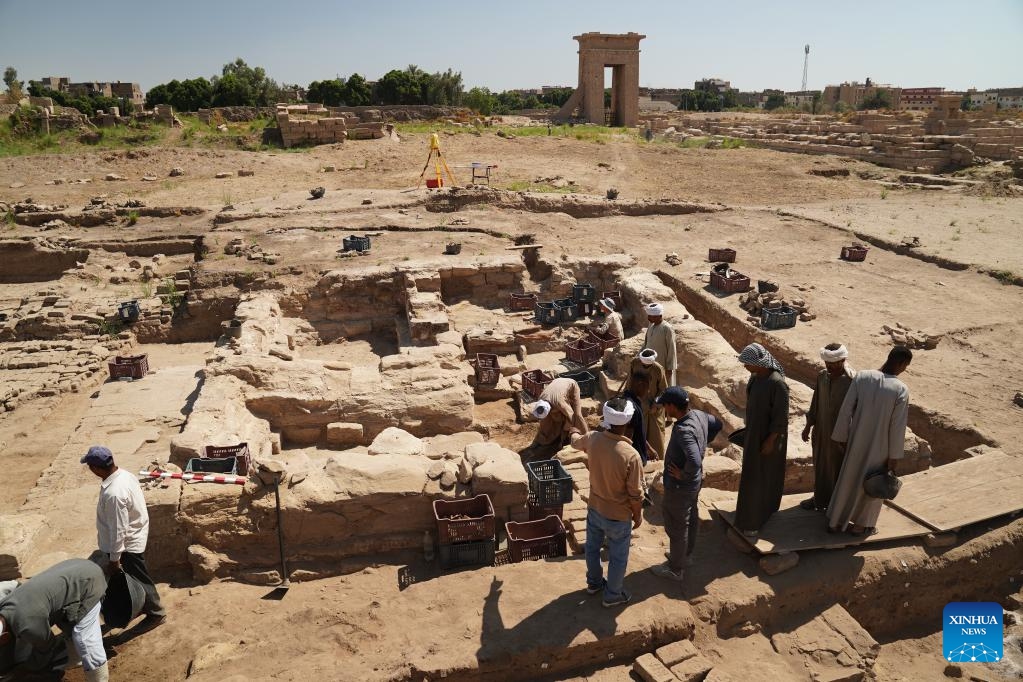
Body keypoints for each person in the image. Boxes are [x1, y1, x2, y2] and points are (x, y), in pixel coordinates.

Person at [827, 346, 912, 537]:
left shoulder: (862, 377)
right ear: (901, 363)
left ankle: (835, 522)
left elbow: (846, 409)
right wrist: (894, 456)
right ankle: (860, 526)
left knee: (848, 479)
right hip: (880, 448)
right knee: (874, 485)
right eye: (905, 366)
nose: (904, 370)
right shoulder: (901, 389)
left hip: (855, 441)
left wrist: (841, 437)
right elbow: (897, 426)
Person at [569, 398, 644, 608]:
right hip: (619, 516)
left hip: (595, 508)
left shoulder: (593, 438)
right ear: (627, 422)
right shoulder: (631, 455)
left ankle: (594, 584)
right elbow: (635, 494)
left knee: (592, 549)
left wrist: (573, 431)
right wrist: (637, 515)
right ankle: (612, 595)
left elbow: (575, 442)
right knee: (618, 558)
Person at [82, 445, 166, 630]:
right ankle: (142, 605)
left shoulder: (114, 494)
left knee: (139, 579)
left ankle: (156, 613)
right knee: (135, 578)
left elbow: (118, 530)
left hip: (126, 545)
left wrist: (114, 560)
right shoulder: (125, 475)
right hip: (132, 537)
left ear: (96, 468)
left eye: (90, 466)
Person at [650, 387, 722, 582]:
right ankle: (684, 556)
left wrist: (683, 474)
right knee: (690, 518)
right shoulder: (698, 415)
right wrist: (704, 442)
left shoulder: (683, 430)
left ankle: (675, 569)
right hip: (694, 483)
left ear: (673, 406)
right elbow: (718, 424)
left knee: (677, 525)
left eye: (665, 405)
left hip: (680, 487)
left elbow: (695, 460)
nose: (664, 409)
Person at [0, 559, 108, 681]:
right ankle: (75, 659)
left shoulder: (28, 624)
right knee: (66, 621)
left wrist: (26, 668)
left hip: (88, 581)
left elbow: (46, 647)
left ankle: (99, 677)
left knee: (84, 639)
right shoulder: (4, 607)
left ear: (4, 637)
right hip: (74, 566)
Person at [734, 343, 789, 537]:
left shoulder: (777, 384)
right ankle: (749, 514)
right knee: (752, 475)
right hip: (754, 435)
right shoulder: (755, 377)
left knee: (760, 476)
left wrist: (770, 441)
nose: (745, 366)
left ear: (759, 363)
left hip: (769, 439)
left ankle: (754, 520)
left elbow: (781, 418)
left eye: (747, 363)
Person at [800, 343, 856, 511]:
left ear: (842, 360)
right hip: (821, 432)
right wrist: (808, 425)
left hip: (841, 435)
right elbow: (815, 402)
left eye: (833, 364)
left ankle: (836, 504)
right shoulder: (822, 377)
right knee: (820, 466)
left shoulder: (852, 381)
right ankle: (819, 498)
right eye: (827, 363)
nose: (829, 367)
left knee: (837, 468)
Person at [524, 377, 589, 459]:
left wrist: (567, 431)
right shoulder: (541, 399)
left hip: (571, 385)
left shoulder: (559, 403)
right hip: (557, 383)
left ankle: (587, 438)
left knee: (577, 415)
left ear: (550, 408)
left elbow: (571, 416)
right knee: (546, 421)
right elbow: (545, 420)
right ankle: (541, 439)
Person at [626, 348, 669, 459]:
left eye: (648, 366)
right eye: (643, 365)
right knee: (638, 434)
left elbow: (663, 390)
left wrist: (656, 404)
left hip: (654, 407)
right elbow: (629, 382)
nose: (645, 366)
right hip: (638, 404)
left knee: (656, 437)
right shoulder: (635, 363)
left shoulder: (658, 369)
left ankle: (657, 459)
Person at [643, 303, 677, 386]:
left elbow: (672, 349)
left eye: (650, 316)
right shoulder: (651, 325)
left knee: (664, 386)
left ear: (659, 316)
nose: (648, 318)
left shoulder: (667, 328)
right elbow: (646, 343)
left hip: (662, 364)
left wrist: (670, 368)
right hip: (650, 363)